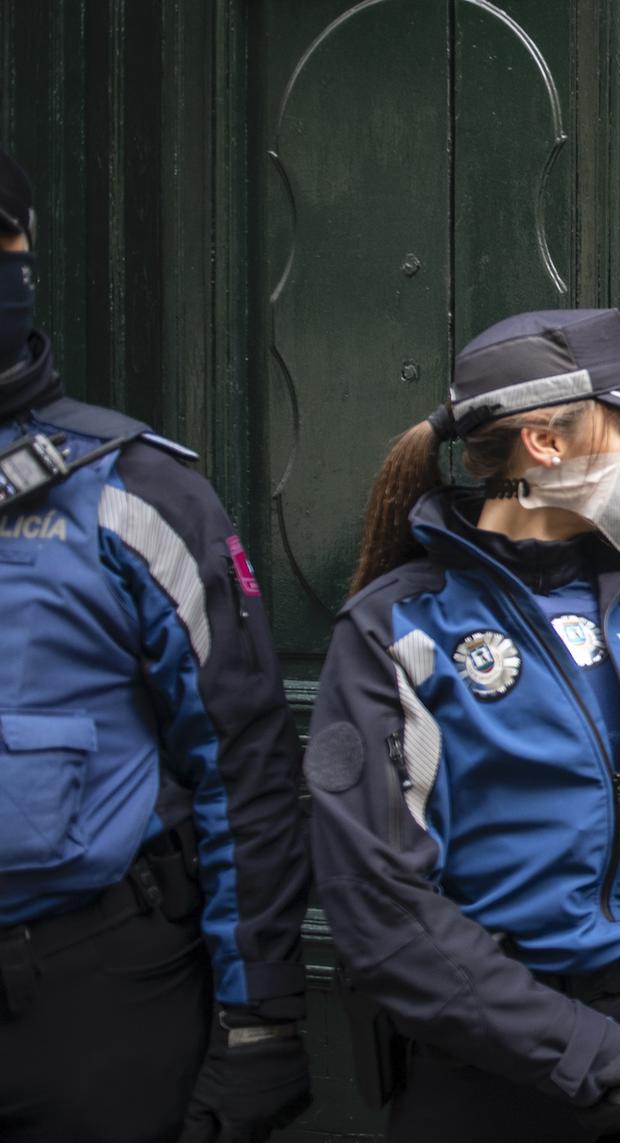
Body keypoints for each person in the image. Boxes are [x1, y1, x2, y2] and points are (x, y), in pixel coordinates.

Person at [304, 309, 620, 1143]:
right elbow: (381, 904)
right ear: (543, 444)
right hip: (497, 1062)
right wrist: (597, 1062)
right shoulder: (397, 634)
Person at [0, 144, 313, 1141]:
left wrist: (259, 1023)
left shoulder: (139, 494)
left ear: (27, 260)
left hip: (90, 994)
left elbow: (246, 771)